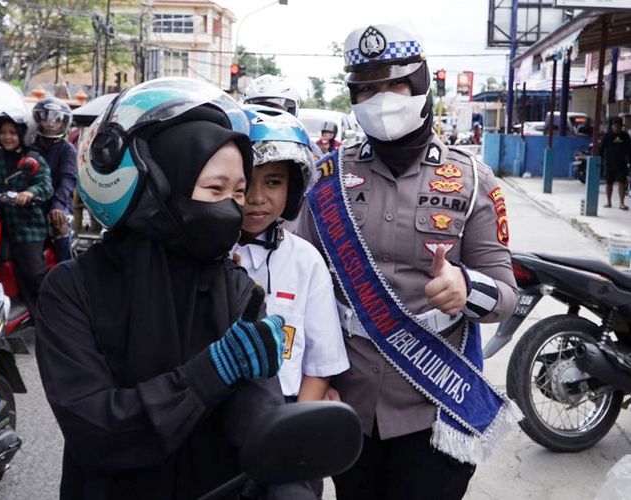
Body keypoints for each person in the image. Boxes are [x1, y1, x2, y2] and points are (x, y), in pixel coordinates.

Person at [35, 78, 314, 500]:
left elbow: (259, 409)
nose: (232, 208)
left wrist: (291, 480)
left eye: (237, 193)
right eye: (214, 189)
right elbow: (94, 429)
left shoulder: (237, 287)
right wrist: (209, 374)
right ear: (157, 188)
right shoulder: (73, 289)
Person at [295, 24, 520, 500]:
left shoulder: (471, 180)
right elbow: (299, 283)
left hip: (434, 404)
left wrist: (466, 287)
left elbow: (505, 294)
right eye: (367, 88)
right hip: (347, 404)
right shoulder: (327, 179)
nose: (381, 99)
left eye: (395, 84)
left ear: (421, 87)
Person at [233, 105, 349, 403]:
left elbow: (320, 366)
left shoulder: (305, 262)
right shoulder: (203, 253)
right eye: (246, 182)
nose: (256, 197)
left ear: (293, 189)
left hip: (281, 409)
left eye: (274, 181)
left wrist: (293, 432)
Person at [0, 109, 53, 315]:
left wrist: (29, 193)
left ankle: (47, 313)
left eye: (12, 132)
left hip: (27, 227)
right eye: (3, 132)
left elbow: (45, 185)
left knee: (31, 271)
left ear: (23, 135)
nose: (7, 137)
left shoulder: (33, 160)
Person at [32, 97, 77, 261]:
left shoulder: (67, 150)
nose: (51, 123)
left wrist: (57, 206)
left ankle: (65, 266)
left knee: (59, 223)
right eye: (46, 118)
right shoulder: (30, 147)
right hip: (31, 199)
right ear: (37, 120)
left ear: (64, 123)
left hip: (58, 201)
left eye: (57, 120)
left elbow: (68, 181)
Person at [600, 116, 631, 210]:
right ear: (612, 126)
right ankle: (608, 202)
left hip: (621, 163)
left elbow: (630, 150)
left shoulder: (625, 136)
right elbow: (601, 149)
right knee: (608, 183)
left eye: (620, 126)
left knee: (622, 183)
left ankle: (622, 203)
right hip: (609, 163)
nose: (618, 128)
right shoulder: (607, 136)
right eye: (616, 126)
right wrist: (601, 161)